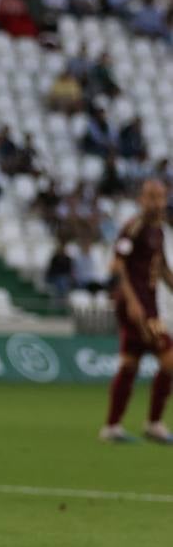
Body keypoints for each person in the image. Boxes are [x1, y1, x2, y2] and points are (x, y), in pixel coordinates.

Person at [100, 178, 173, 445]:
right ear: (141, 199)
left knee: (130, 362)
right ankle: (154, 423)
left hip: (148, 304)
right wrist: (131, 301)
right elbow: (117, 266)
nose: (157, 202)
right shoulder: (134, 227)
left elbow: (162, 268)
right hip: (137, 306)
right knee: (170, 359)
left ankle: (112, 426)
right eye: (152, 197)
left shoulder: (159, 230)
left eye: (161, 197)